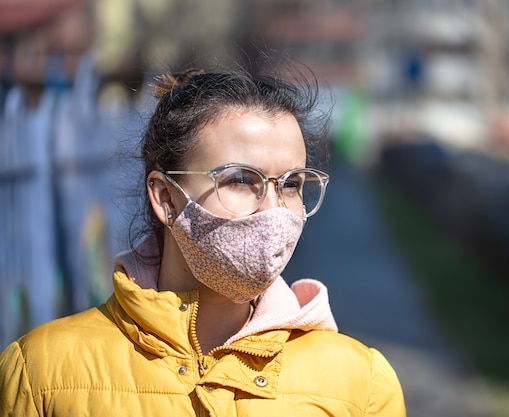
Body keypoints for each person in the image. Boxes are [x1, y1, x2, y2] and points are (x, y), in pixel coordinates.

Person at [0, 66, 405, 416]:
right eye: (242, 180)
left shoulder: (359, 385)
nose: (273, 211)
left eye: (291, 184)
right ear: (165, 197)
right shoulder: (42, 371)